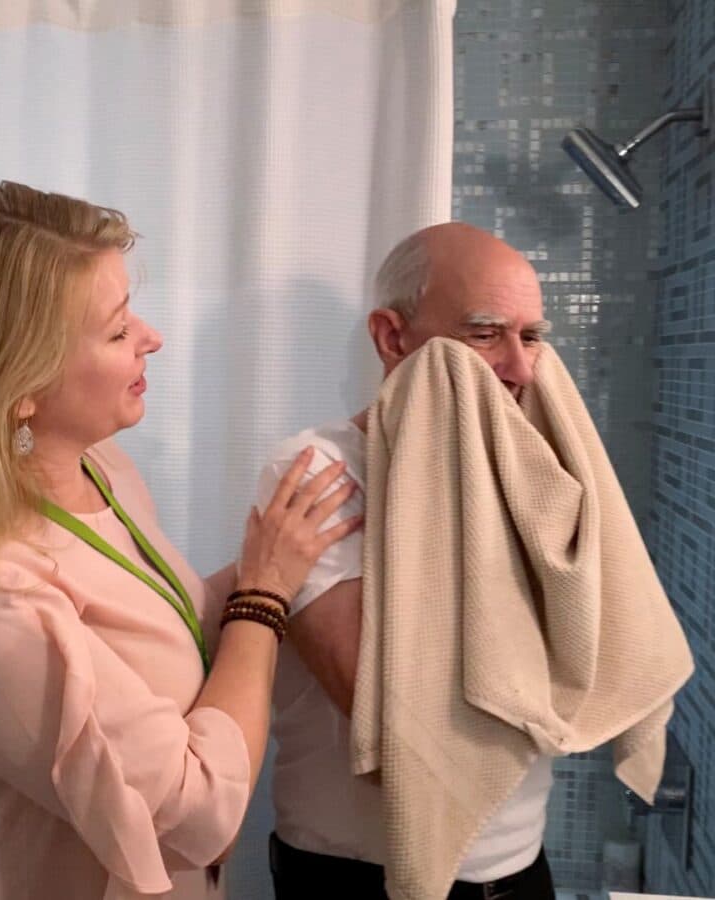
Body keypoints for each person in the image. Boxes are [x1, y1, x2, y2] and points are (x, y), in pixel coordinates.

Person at [0, 179, 362, 900]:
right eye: (116, 330)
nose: (152, 338)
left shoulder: (97, 468)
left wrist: (284, 558)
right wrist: (263, 599)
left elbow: (145, 646)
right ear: (19, 387)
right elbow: (198, 813)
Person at [258, 222, 558, 899]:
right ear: (393, 338)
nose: (522, 368)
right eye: (485, 334)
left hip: (521, 864)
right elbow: (387, 711)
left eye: (532, 336)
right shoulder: (318, 470)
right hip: (359, 878)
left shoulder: (536, 476)